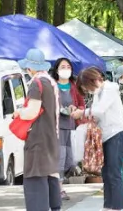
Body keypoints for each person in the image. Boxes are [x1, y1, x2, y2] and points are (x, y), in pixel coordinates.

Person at [14, 49, 61, 211]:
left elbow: (32, 112)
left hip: (38, 139)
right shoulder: (51, 82)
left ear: (30, 68)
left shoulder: (36, 83)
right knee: (51, 175)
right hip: (51, 137)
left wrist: (19, 112)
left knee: (35, 178)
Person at [78, 67, 123, 211]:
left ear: (92, 81)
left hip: (116, 133)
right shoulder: (98, 93)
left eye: (86, 87)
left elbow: (99, 110)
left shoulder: (109, 89)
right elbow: (97, 113)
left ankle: (117, 207)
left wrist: (82, 113)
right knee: (106, 173)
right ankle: (108, 205)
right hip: (105, 135)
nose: (87, 90)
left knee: (114, 172)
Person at [50, 58, 85, 201]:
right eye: (63, 66)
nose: (66, 69)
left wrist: (77, 109)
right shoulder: (51, 86)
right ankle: (59, 189)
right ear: (57, 70)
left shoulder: (74, 87)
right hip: (56, 128)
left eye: (68, 66)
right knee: (60, 158)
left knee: (70, 161)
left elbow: (82, 105)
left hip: (71, 126)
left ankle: (58, 186)